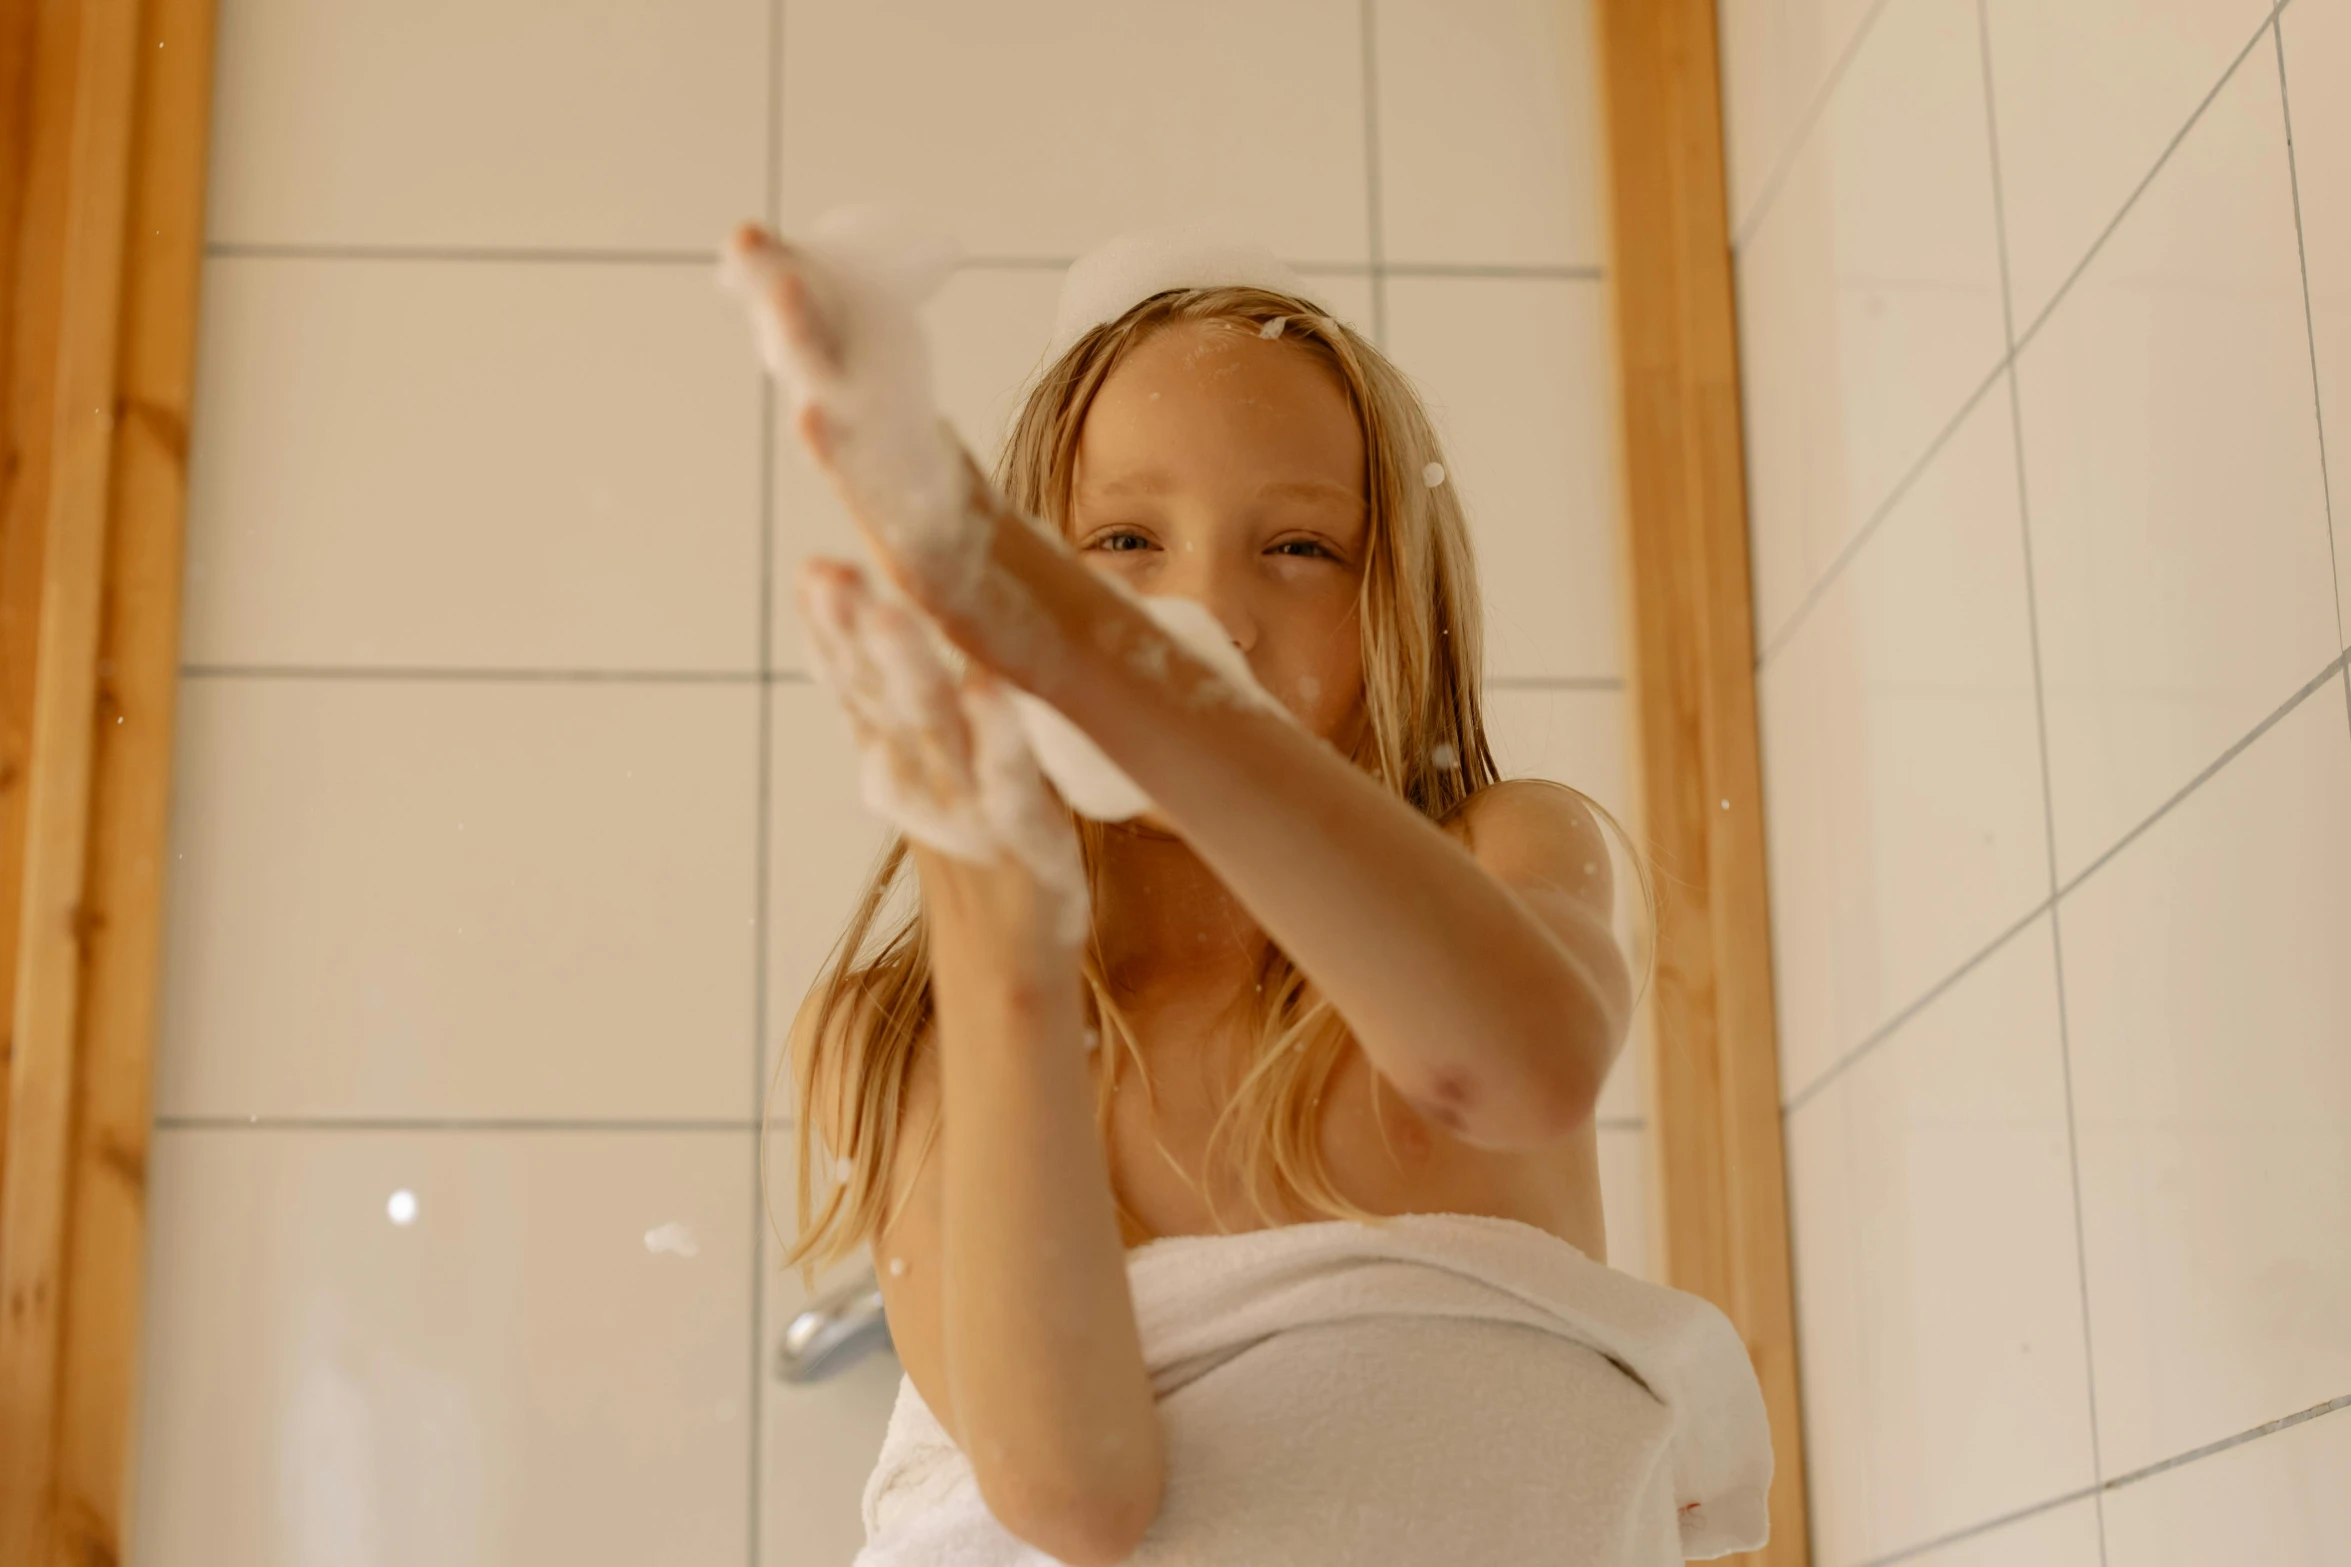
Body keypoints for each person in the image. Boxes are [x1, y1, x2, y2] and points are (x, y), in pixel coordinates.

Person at [741, 222, 1651, 1566]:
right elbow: (1070, 1496)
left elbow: (1525, 1066)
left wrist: (1113, 662)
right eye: (1121, 539)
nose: (1208, 609)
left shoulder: (1501, 857)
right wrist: (996, 920)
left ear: (1396, 604)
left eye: (1296, 546)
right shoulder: (897, 1033)